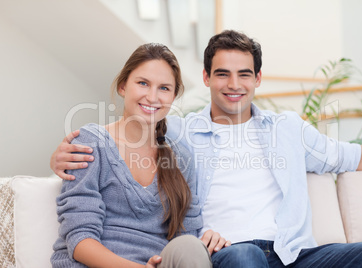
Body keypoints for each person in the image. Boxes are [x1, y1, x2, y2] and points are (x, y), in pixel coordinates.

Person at [51, 31, 362, 267]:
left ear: (258, 79)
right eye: (222, 74)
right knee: (244, 258)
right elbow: (128, 130)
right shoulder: (179, 131)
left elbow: (351, 156)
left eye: (244, 74)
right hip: (230, 253)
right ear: (205, 78)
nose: (234, 85)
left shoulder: (289, 129)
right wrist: (60, 155)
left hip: (295, 254)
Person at [50, 43, 230, 268]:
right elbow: (79, 240)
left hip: (158, 264)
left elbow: (186, 238)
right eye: (143, 83)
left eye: (164, 88)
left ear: (173, 96)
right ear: (124, 86)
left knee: (192, 246)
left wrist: (206, 241)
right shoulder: (91, 142)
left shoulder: (181, 157)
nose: (152, 97)